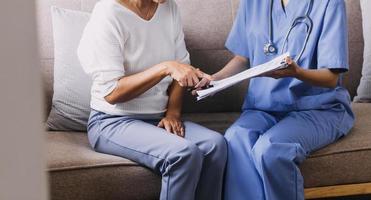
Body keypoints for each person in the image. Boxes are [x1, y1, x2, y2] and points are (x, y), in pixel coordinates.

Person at [194, 0, 354, 199]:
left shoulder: (329, 3)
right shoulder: (253, 3)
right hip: (264, 106)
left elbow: (331, 78)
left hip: (317, 107)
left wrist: (296, 73)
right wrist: (214, 79)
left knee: (271, 149)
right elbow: (243, 58)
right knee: (235, 138)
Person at [77, 0, 227, 200]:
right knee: (183, 153)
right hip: (111, 121)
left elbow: (181, 67)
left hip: (155, 118)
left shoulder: (169, 8)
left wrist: (173, 113)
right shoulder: (108, 12)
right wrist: (165, 67)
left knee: (215, 145)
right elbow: (112, 93)